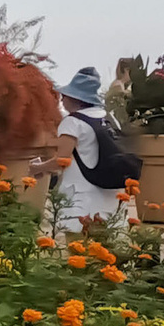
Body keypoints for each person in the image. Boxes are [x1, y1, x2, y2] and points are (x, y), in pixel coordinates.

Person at [40, 66, 124, 231]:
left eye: (65, 96)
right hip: (109, 193)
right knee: (104, 249)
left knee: (78, 247)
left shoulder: (72, 122)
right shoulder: (109, 118)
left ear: (75, 99)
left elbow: (61, 161)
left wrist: (37, 168)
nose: (62, 100)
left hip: (81, 197)